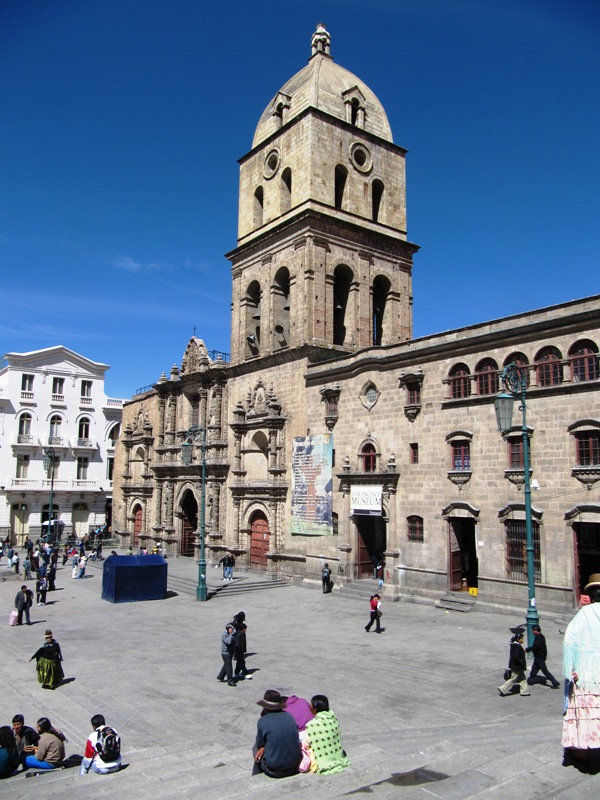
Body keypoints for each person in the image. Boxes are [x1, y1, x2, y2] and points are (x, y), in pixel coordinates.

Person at [562, 573, 600, 771]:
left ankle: (583, 754)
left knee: (587, 716)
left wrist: (572, 668)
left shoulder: (584, 614)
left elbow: (570, 640)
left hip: (587, 677)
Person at [252, 690, 302, 778]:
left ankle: (255, 775)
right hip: (294, 765)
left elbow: (260, 744)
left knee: (256, 748)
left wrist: (262, 747)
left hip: (275, 770)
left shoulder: (262, 721)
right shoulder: (290, 716)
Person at [304, 694, 349, 774]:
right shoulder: (333, 718)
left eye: (311, 705)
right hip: (336, 755)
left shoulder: (312, 725)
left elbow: (306, 744)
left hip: (320, 761)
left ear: (315, 709)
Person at [526, 624, 560, 689]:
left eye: (533, 630)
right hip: (539, 656)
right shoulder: (541, 636)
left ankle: (554, 681)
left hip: (539, 656)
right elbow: (544, 647)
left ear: (536, 630)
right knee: (534, 668)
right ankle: (530, 680)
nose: (532, 632)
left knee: (544, 670)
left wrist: (527, 649)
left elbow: (535, 647)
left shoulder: (538, 637)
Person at [498, 630, 530, 696]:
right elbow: (516, 656)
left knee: (522, 679)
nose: (523, 640)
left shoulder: (514, 645)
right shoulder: (517, 647)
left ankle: (524, 691)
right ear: (518, 639)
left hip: (515, 666)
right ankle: (503, 688)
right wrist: (520, 663)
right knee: (513, 679)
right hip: (517, 666)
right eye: (522, 639)